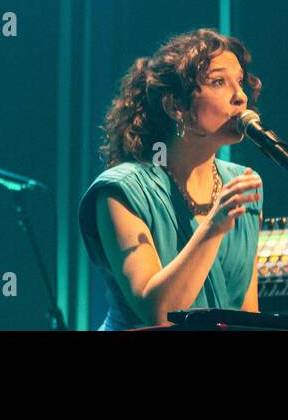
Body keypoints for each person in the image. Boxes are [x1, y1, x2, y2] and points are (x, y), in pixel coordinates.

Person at [77, 29, 265, 330]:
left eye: (239, 82)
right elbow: (159, 312)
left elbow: (247, 315)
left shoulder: (243, 183)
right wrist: (213, 228)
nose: (240, 97)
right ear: (175, 106)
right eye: (219, 82)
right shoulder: (120, 190)